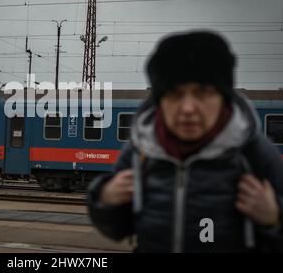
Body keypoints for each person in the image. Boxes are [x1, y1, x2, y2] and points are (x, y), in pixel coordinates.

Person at [87, 31, 283, 252]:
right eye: (174, 93)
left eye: (202, 92)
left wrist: (273, 219)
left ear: (223, 97)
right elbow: (117, 229)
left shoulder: (254, 153)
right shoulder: (140, 150)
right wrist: (105, 199)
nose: (188, 108)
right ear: (160, 100)